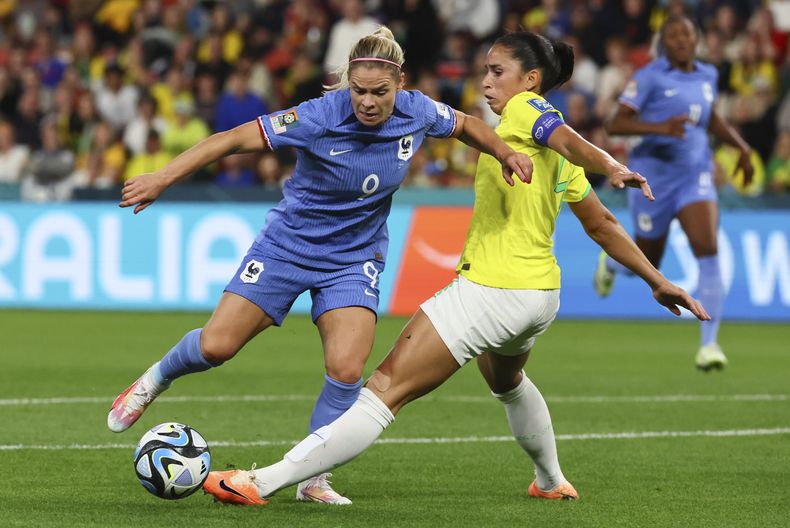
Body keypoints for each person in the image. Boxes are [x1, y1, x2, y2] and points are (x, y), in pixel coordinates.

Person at [200, 30, 710, 506]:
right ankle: (551, 480)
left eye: (497, 71)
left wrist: (613, 165)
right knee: (507, 380)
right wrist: (658, 280)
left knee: (383, 391)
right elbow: (600, 224)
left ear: (531, 79)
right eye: (484, 71)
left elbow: (565, 138)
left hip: (493, 290)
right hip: (539, 298)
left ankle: (260, 481)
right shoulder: (543, 141)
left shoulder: (524, 112)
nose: (486, 82)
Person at [107, 26, 533, 505]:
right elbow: (230, 140)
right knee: (217, 346)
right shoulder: (316, 116)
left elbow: (468, 125)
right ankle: (152, 381)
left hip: (354, 257)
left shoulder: (418, 110)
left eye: (379, 92)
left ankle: (313, 479)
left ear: (400, 84)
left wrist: (506, 151)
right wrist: (163, 177)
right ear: (346, 83)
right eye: (358, 91)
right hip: (287, 247)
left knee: (348, 369)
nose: (368, 102)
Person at [595, 15, 753, 371]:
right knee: (648, 261)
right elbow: (615, 123)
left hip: (695, 175)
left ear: (697, 39)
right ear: (663, 43)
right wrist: (660, 128)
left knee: (708, 250)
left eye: (687, 33)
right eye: (673, 35)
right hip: (653, 179)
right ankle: (613, 265)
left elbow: (711, 119)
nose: (681, 39)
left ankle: (709, 346)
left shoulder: (708, 75)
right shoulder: (649, 77)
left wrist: (741, 148)